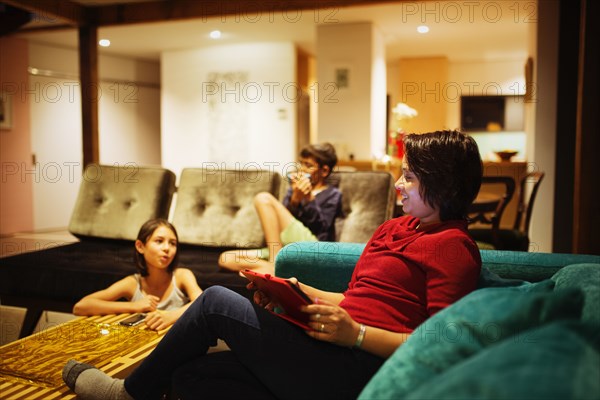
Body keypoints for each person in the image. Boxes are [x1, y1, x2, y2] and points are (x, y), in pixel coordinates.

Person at [62, 130, 483, 400]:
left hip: (358, 370)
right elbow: (356, 298)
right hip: (324, 348)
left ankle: (126, 395)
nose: (398, 184)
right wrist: (300, 295)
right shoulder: (395, 228)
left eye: (409, 176)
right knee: (190, 378)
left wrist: (356, 335)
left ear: (442, 182)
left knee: (214, 303)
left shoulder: (453, 247)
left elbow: (442, 346)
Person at [219, 142, 342, 274]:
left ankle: (274, 263)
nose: (302, 169)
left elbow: (322, 228)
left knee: (263, 198)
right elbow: (281, 224)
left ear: (324, 171)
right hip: (285, 246)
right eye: (301, 163)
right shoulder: (293, 190)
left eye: (309, 165)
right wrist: (295, 199)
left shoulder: (333, 194)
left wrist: (309, 200)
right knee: (226, 259)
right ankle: (277, 269)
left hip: (313, 247)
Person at [72, 218, 202, 331]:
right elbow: (81, 307)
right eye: (159, 241)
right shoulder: (133, 283)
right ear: (140, 246)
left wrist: (171, 316)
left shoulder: (182, 276)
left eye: (172, 243)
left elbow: (203, 301)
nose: (167, 248)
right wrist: (134, 306)